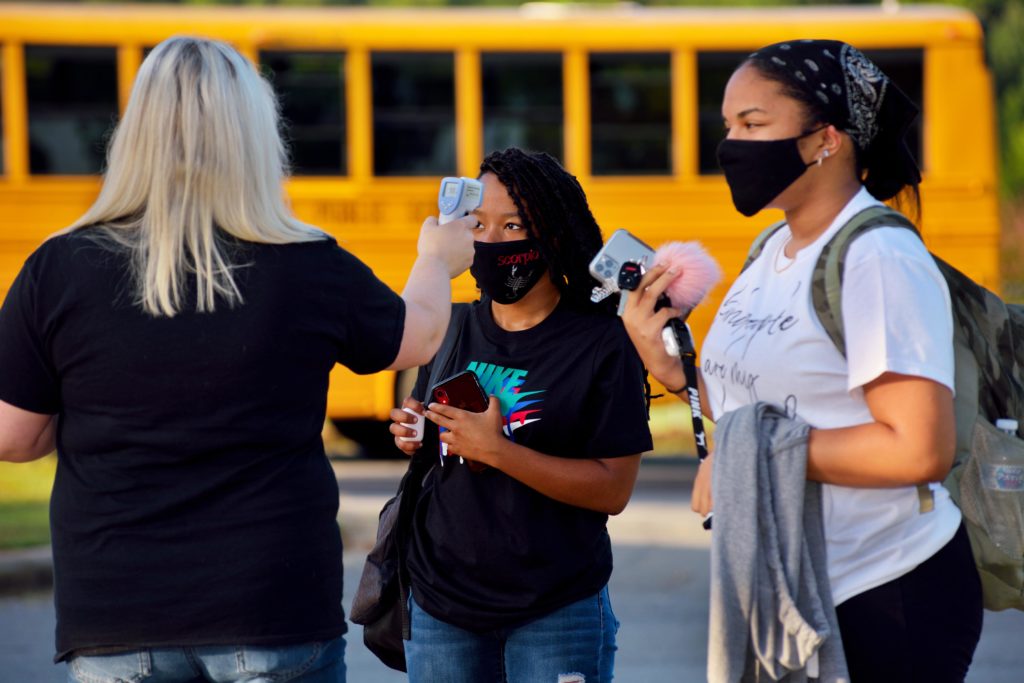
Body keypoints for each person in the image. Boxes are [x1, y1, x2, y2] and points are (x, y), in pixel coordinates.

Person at [0, 36, 473, 683]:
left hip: (115, 613)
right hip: (271, 604)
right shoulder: (307, 262)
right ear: (254, 134)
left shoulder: (56, 267)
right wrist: (437, 259)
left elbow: (15, 435)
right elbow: (416, 337)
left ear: (133, 133)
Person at [622, 40, 982, 682]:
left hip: (884, 590)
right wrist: (679, 376)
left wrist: (744, 457)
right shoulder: (771, 250)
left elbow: (917, 449)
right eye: (728, 126)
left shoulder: (876, 258)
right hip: (794, 582)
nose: (731, 145)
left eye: (754, 125)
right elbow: (764, 411)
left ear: (827, 140)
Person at [388, 148, 653, 682]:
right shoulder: (450, 325)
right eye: (479, 224)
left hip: (554, 608)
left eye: (513, 225)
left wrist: (498, 451)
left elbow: (612, 490)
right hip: (440, 602)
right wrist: (416, 434)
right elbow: (435, 439)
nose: (491, 241)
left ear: (554, 234)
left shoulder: (603, 342)